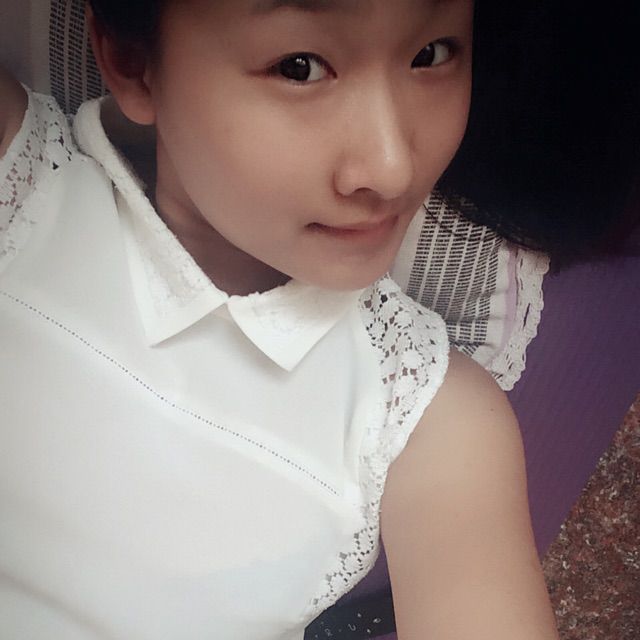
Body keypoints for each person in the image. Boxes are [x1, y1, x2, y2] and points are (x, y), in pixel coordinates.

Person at [0, 1, 561, 638]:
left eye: (430, 55)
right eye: (300, 67)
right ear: (132, 62)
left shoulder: (427, 420)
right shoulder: (23, 188)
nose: (392, 167)